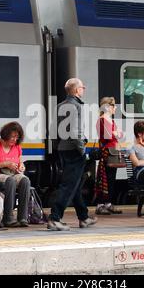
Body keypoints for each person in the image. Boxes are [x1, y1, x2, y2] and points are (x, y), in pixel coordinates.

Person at [47, 78, 97, 231]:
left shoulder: (60, 106)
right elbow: (76, 132)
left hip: (63, 149)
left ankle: (84, 217)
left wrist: (57, 148)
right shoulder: (77, 106)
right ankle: (55, 218)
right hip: (74, 150)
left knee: (74, 183)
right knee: (69, 185)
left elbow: (52, 131)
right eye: (82, 87)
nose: (84, 89)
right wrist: (83, 151)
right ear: (76, 90)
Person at [0, 122, 31, 227]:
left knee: (25, 180)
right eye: (13, 137)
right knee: (11, 181)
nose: (15, 140)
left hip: (12, 174)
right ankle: (8, 218)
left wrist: (21, 167)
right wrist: (5, 164)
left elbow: (20, 162)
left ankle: (23, 218)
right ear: (6, 134)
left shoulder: (17, 147)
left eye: (17, 137)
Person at [94, 96, 124, 215]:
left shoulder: (110, 120)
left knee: (111, 179)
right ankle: (101, 204)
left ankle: (108, 203)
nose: (115, 108)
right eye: (113, 105)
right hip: (107, 151)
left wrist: (116, 133)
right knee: (105, 178)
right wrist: (116, 133)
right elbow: (109, 136)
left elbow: (119, 134)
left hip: (113, 151)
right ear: (107, 107)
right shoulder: (102, 120)